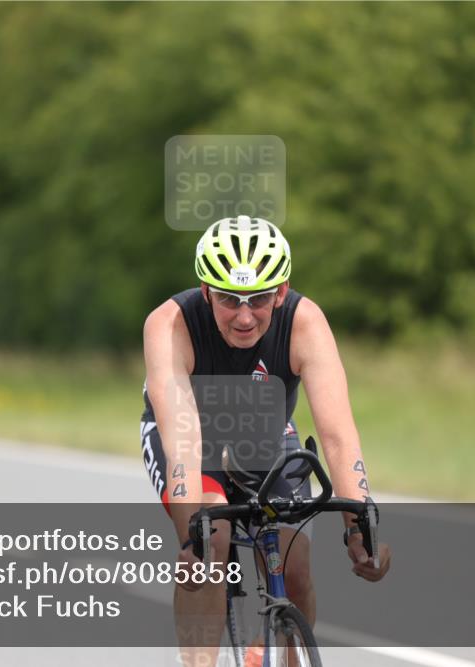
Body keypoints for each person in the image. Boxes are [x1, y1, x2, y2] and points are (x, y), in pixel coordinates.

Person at [141, 215, 391, 667]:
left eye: (258, 299)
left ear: (280, 291)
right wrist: (189, 536)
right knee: (211, 542)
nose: (243, 316)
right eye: (227, 300)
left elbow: (336, 433)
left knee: (294, 569)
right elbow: (181, 436)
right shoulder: (169, 324)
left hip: (266, 435)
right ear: (205, 292)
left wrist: (361, 526)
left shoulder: (304, 322)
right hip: (191, 438)